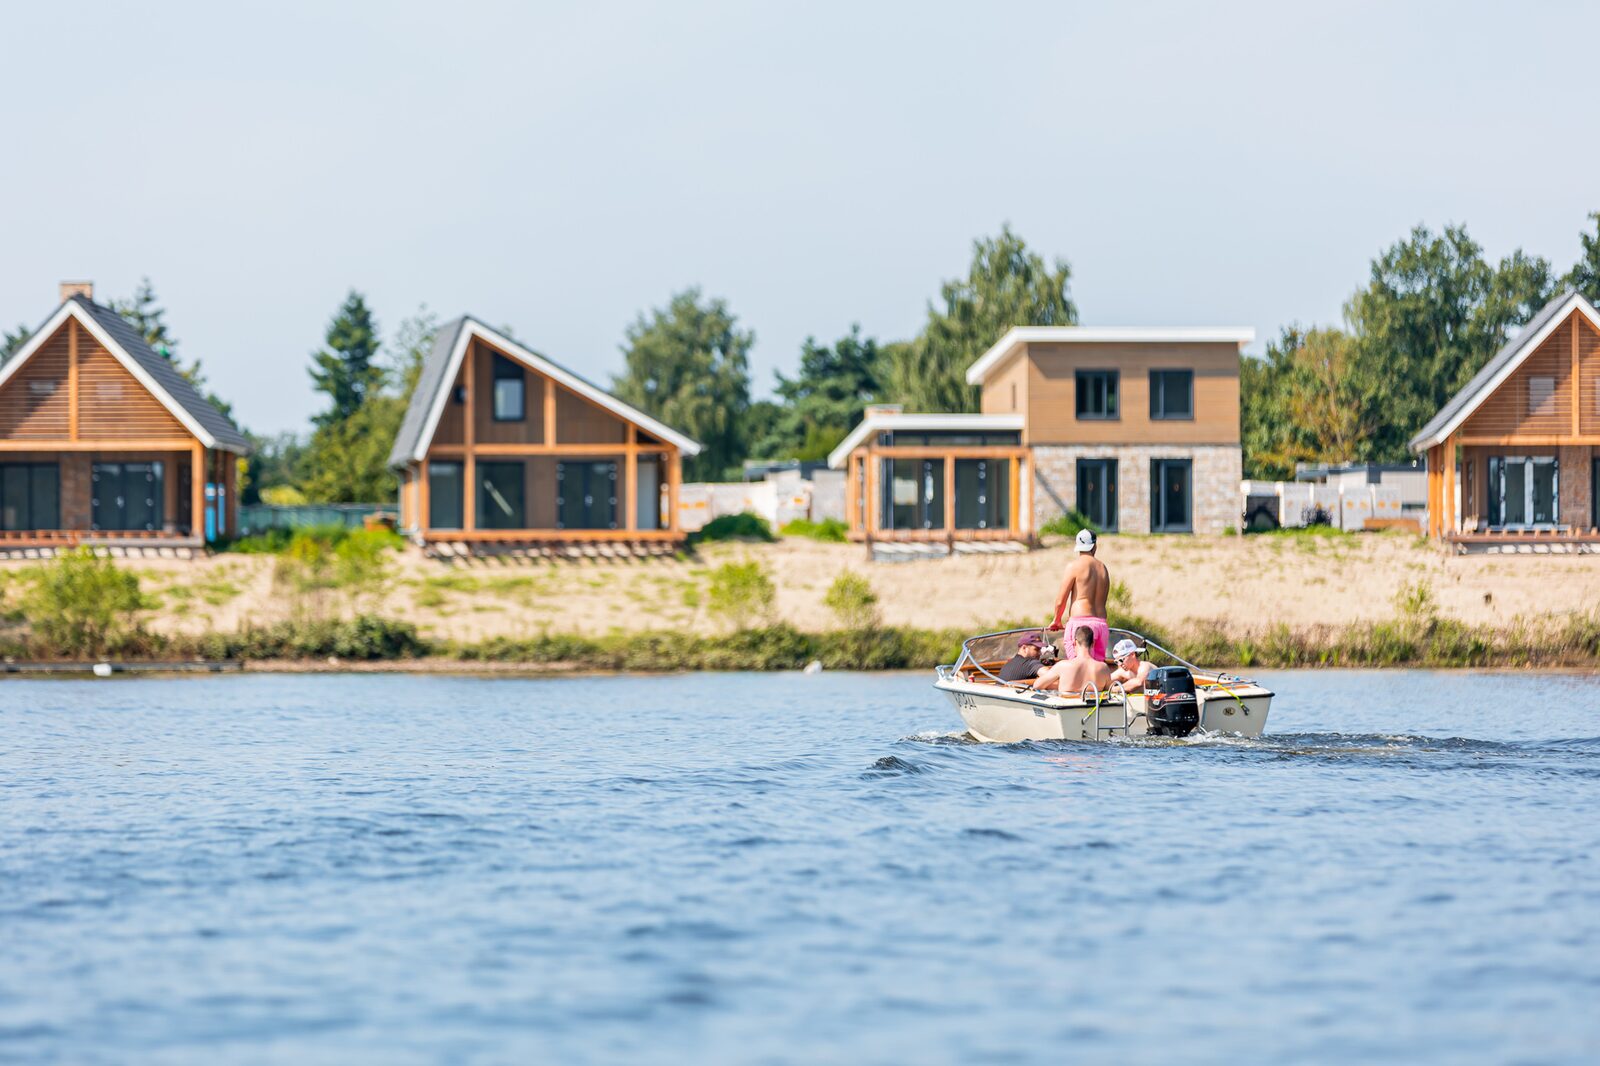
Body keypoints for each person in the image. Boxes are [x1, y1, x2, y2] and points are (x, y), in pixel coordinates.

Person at [1048, 528, 1111, 662]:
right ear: (1095, 546)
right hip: (1101, 624)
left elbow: (1061, 600)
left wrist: (1057, 620)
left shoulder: (1074, 566)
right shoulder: (1103, 568)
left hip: (1080, 625)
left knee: (1078, 667)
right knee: (1097, 668)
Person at [1031, 624, 1111, 696]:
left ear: (1075, 643)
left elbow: (1037, 686)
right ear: (1093, 643)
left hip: (1066, 709)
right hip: (1094, 710)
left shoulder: (1063, 666)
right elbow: (1109, 691)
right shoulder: (1104, 668)